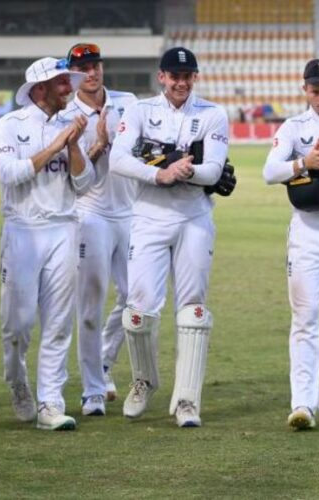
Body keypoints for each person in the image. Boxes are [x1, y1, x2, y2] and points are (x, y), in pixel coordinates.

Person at [109, 47, 229, 428]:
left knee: (193, 309)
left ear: (195, 77)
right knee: (138, 312)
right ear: (161, 77)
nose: (180, 82)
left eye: (187, 75)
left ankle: (188, 400)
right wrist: (159, 173)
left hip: (194, 217)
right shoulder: (140, 111)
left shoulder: (212, 113)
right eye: (173, 75)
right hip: (148, 217)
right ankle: (144, 379)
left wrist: (179, 168)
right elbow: (118, 159)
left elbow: (213, 172)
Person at [0, 57, 93, 431]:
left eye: (69, 80)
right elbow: (10, 174)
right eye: (62, 82)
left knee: (58, 322)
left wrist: (75, 147)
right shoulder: (10, 125)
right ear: (40, 89)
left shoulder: (73, 125)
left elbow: (85, 184)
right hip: (22, 228)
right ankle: (17, 381)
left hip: (64, 227)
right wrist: (57, 144)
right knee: (17, 324)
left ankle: (51, 402)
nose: (70, 87)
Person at [262, 58, 319, 430]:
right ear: (305, 90)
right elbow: (270, 172)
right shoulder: (293, 127)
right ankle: (303, 403)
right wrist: (305, 163)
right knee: (305, 317)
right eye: (315, 91)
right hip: (308, 231)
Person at [61, 43, 137, 415]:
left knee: (135, 298)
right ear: (72, 74)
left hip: (131, 212)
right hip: (89, 213)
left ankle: (104, 362)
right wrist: (99, 144)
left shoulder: (129, 102)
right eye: (82, 68)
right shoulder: (65, 114)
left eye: (95, 65)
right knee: (90, 304)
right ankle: (92, 390)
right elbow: (74, 179)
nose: (91, 73)